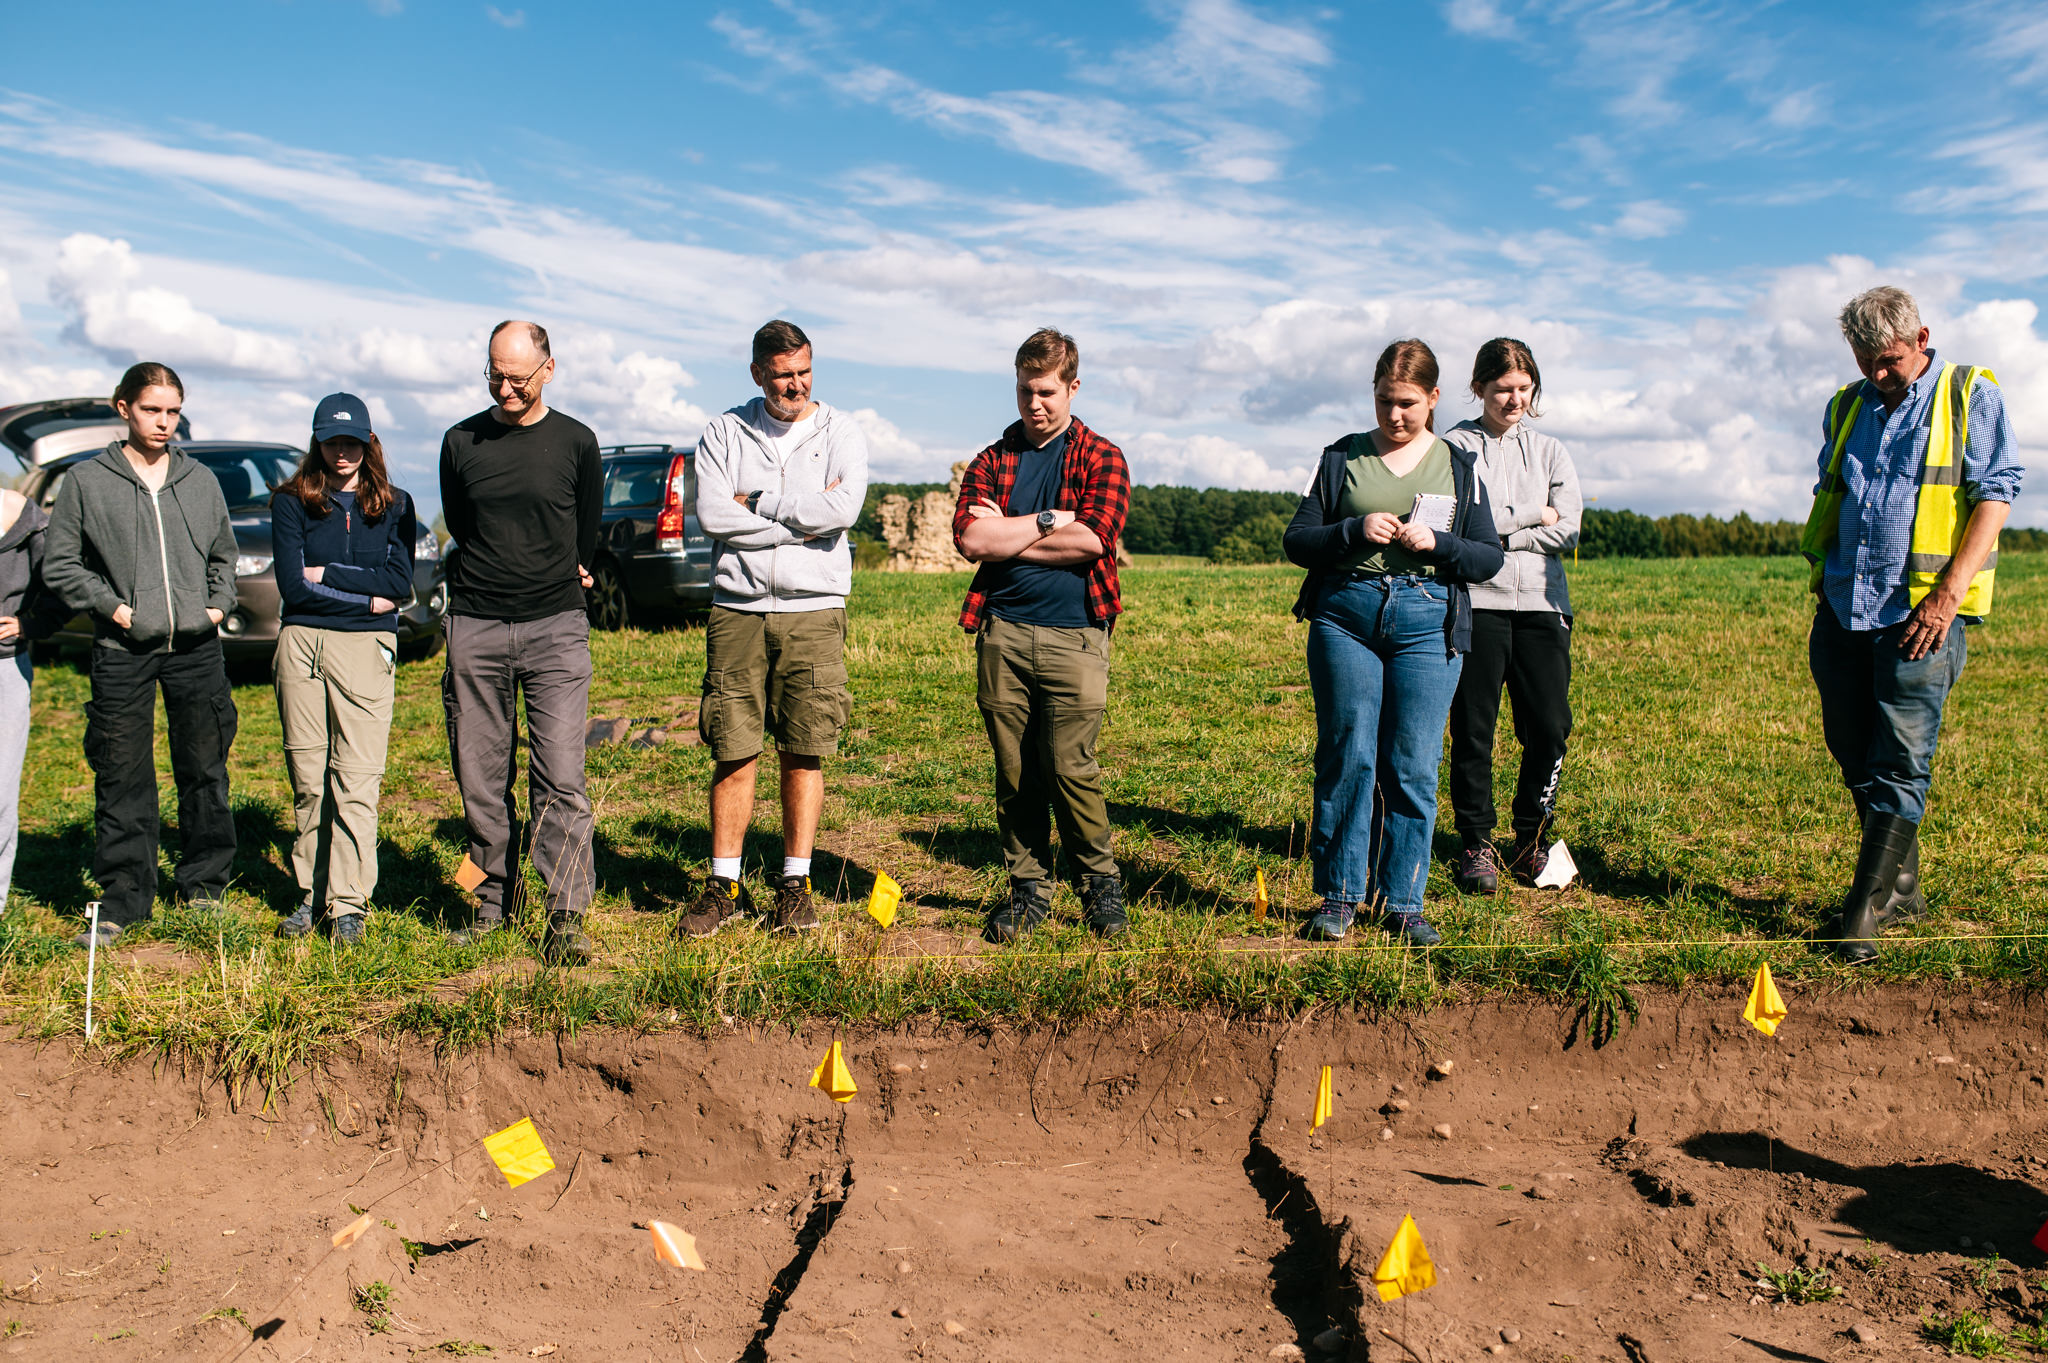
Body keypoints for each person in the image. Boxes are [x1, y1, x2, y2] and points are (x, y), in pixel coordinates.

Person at [1800, 286, 2022, 964]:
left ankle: (1861, 911)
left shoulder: (1968, 395)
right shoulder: (1847, 405)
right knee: (1852, 746)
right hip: (1843, 607)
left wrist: (1948, 595)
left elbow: (1997, 491)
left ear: (1921, 338)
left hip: (1921, 616)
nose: (1876, 373)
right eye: (1865, 359)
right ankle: (1900, 883)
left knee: (1900, 761)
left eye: (1889, 359)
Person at [1283, 339, 1504, 945]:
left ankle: (1404, 901)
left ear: (1433, 399)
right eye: (1385, 402)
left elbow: (1487, 555)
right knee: (1348, 753)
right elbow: (1297, 540)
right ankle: (1339, 897)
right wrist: (1352, 529)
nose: (1395, 416)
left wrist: (1441, 546)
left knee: (1412, 763)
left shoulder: (1460, 465)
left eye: (1408, 404)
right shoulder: (1340, 457)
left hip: (1428, 622)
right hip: (1345, 616)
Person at [678, 320, 869, 937]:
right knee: (733, 746)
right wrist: (800, 522)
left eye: (804, 371)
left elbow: (844, 509)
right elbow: (711, 512)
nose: (796, 384)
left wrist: (756, 506)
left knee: (804, 745)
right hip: (738, 609)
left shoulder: (842, 431)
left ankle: (795, 882)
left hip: (814, 608)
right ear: (758, 373)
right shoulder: (724, 431)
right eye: (783, 373)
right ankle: (723, 884)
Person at [42, 362, 239, 948]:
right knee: (123, 774)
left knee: (205, 769)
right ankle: (124, 899)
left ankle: (204, 885)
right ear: (123, 408)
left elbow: (223, 558)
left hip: (197, 647)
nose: (164, 422)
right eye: (153, 409)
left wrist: (216, 608)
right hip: (122, 648)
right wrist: (115, 609)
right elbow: (61, 565)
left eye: (174, 411)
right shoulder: (86, 482)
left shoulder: (199, 480)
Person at [951, 328, 1131, 943]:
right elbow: (973, 541)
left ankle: (1099, 884)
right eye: (1027, 391)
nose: (1036, 404)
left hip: (1077, 633)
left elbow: (1095, 539)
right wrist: (1052, 519)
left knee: (1069, 765)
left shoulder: (1102, 456)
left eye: (1048, 392)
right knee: (1015, 769)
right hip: (1001, 631)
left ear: (1073, 387)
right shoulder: (992, 459)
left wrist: (1012, 534)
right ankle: (1028, 889)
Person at [440, 321, 601, 964]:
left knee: (559, 773)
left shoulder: (576, 442)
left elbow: (583, 528)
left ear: (549, 369)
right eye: (494, 375)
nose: (505, 388)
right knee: (479, 775)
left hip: (555, 626)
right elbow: (460, 520)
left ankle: (565, 914)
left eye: (518, 377)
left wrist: (568, 567)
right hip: (475, 624)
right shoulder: (460, 442)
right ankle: (487, 901)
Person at [269, 394, 418, 945]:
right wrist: (366, 596)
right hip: (301, 644)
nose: (342, 452)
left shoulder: (396, 505)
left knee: (356, 778)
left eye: (352, 441)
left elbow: (399, 585)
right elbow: (292, 588)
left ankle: (349, 904)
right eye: (332, 441)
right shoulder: (290, 502)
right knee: (309, 778)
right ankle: (310, 896)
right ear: (317, 442)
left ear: (368, 442)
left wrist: (326, 572)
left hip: (366, 651)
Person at [1442, 338, 1583, 892]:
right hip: (1476, 603)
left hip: (1545, 607)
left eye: (1525, 389)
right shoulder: (1452, 447)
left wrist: (1498, 530)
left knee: (1550, 727)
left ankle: (1530, 838)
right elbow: (1456, 526)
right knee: (1474, 730)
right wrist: (1530, 516)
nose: (1515, 399)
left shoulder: (1552, 451)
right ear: (1478, 387)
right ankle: (1476, 844)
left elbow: (1568, 527)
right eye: (1504, 389)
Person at [0, 483, 66, 912]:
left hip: (4, 667)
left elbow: (64, 587)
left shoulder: (28, 520)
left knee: (0, 788)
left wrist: (29, 624)